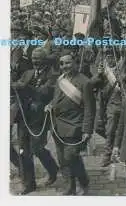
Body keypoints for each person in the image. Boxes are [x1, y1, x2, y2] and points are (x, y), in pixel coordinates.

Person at [45, 51, 95, 195]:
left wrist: (87, 130)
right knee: (62, 159)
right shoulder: (60, 79)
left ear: (74, 63)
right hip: (57, 125)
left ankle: (83, 181)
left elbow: (90, 109)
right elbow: (57, 98)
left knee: (71, 156)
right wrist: (50, 105)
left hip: (75, 126)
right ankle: (70, 187)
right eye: (62, 63)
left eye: (67, 62)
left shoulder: (85, 82)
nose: (64, 66)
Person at [11, 48, 59, 194]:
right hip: (23, 119)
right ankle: (29, 184)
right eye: (33, 58)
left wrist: (24, 86)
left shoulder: (53, 75)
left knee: (37, 149)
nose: (35, 61)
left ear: (44, 59)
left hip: (39, 119)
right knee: (23, 151)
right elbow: (15, 87)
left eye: (38, 58)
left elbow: (44, 92)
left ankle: (53, 169)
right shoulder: (27, 73)